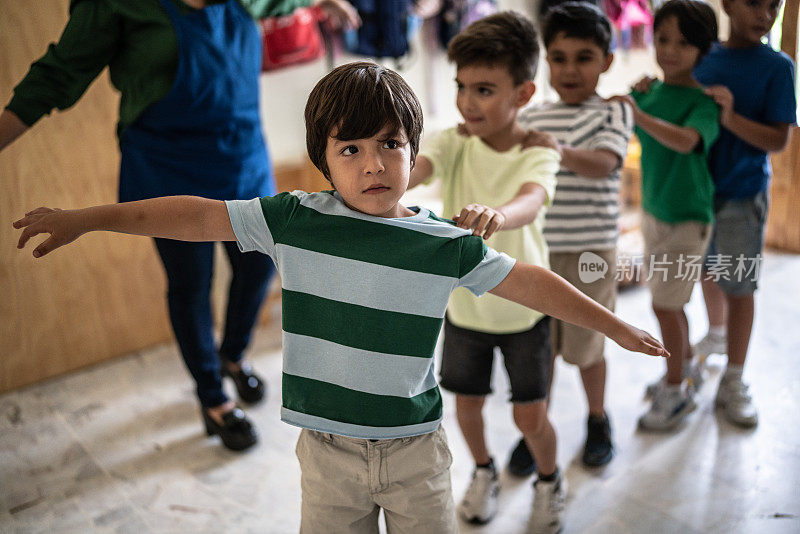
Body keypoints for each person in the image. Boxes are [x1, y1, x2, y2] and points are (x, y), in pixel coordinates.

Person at [14, 60, 668, 534]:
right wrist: (90, 217)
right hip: (326, 454)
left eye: (390, 144)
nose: (374, 164)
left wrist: (611, 325)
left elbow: (531, 283)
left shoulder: (440, 241)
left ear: (415, 151)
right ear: (324, 159)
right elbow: (194, 216)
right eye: (350, 148)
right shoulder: (295, 219)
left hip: (416, 453)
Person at [0, 0, 359, 451]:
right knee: (191, 283)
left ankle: (230, 355)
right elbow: (54, 76)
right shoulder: (115, 6)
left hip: (243, 154)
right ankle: (212, 397)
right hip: (167, 164)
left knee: (258, 266)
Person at [407, 12, 574, 532]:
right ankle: (484, 472)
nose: (466, 101)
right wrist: (381, 182)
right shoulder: (452, 141)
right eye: (461, 86)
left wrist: (498, 214)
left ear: (523, 94)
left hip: (526, 311)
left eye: (483, 89)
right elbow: (419, 169)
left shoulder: (538, 150)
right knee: (467, 408)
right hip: (463, 308)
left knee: (530, 417)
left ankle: (550, 480)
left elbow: (532, 198)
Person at [513, 1, 633, 470]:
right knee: (538, 351)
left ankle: (597, 418)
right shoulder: (534, 116)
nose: (569, 68)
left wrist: (557, 150)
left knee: (588, 346)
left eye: (584, 57)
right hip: (538, 250)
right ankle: (534, 428)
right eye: (558, 57)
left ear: (606, 61)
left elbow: (605, 163)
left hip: (592, 250)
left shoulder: (614, 113)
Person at [610, 0, 719, 431]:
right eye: (662, 39)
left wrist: (641, 113)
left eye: (684, 42)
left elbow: (688, 140)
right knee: (667, 305)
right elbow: (625, 118)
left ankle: (676, 390)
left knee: (665, 307)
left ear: (704, 50)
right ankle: (685, 369)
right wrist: (631, 104)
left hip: (688, 221)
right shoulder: (652, 92)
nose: (670, 50)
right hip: (654, 215)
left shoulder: (705, 102)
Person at [691, 0, 796, 427]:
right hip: (695, 193)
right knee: (705, 270)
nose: (765, 15)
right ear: (729, 4)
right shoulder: (702, 56)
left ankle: (734, 379)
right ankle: (716, 337)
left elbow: (777, 140)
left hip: (743, 193)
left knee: (740, 286)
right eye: (755, 3)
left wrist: (730, 119)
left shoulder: (778, 66)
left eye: (775, 5)